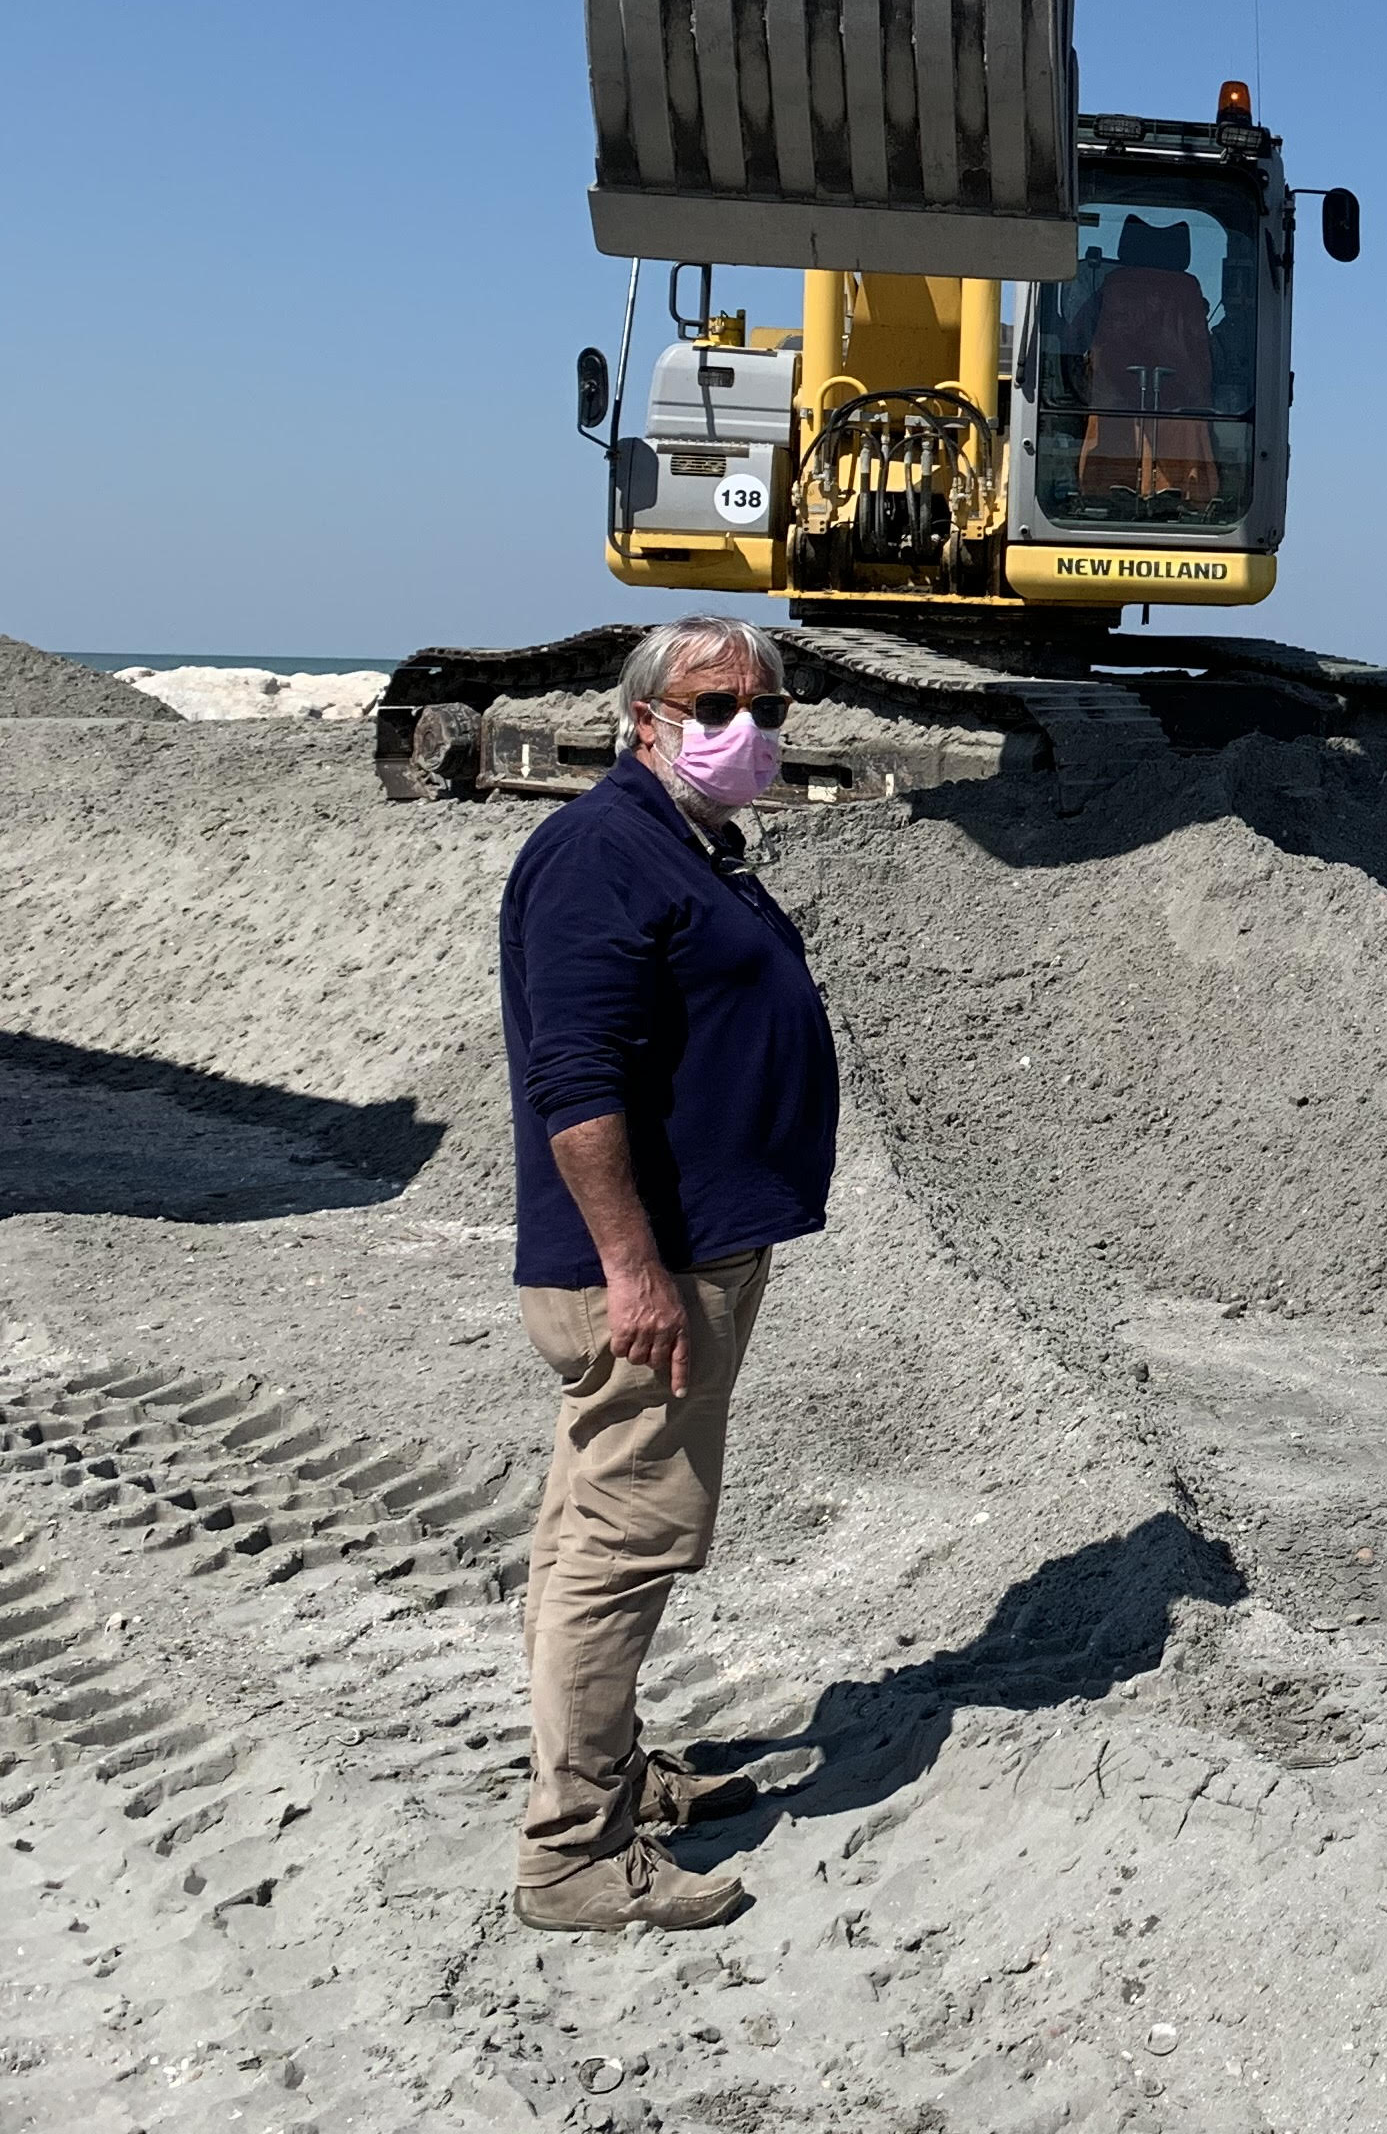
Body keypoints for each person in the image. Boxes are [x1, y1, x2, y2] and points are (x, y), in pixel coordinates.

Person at [496, 615, 837, 1931]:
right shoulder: (602, 854)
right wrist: (637, 1273)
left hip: (681, 1255)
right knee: (623, 1545)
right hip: (647, 1273)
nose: (741, 730)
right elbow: (575, 1088)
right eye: (709, 706)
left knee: (587, 1528)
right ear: (643, 717)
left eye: (764, 709)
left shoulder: (682, 846)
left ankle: (612, 1779)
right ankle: (573, 1851)